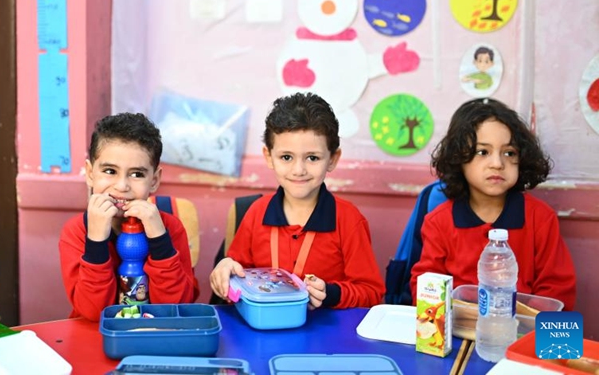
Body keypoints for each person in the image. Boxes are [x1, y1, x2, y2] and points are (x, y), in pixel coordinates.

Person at [209, 93, 385, 309]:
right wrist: (225, 269)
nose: (298, 170)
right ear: (268, 157)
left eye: (312, 158)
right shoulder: (256, 213)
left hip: (324, 338)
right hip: (263, 332)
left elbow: (371, 292)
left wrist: (329, 294)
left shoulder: (349, 220)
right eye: (286, 157)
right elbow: (236, 274)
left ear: (333, 159)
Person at [410, 98, 576, 310]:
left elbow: (558, 291)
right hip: (455, 333)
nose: (497, 164)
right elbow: (424, 287)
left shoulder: (541, 218)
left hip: (522, 335)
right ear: (458, 158)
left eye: (509, 153)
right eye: (483, 152)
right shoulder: (439, 222)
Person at [59, 113, 199, 321]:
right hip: (96, 338)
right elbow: (91, 312)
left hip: (153, 338)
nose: (122, 186)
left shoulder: (170, 227)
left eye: (137, 174)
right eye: (109, 171)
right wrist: (96, 241)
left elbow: (175, 307)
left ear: (154, 180)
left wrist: (159, 239)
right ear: (90, 173)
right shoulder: (76, 231)